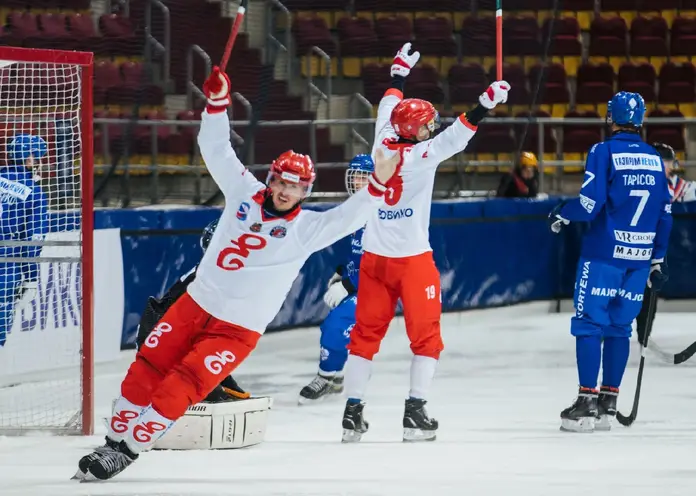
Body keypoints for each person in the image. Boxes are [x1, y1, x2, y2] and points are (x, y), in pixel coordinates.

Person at [75, 65, 399, 481]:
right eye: (282, 181)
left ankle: (130, 449)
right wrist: (216, 104)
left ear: (307, 192)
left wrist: (377, 185)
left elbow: (352, 216)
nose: (286, 191)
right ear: (271, 179)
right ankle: (115, 438)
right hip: (195, 303)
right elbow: (216, 149)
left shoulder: (308, 229)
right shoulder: (243, 190)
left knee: (185, 383)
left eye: (296, 187)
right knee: (148, 365)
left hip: (237, 329)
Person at [341, 42, 510, 443]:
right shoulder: (422, 155)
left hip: (373, 258)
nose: (430, 129)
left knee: (363, 337)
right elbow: (459, 134)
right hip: (411, 261)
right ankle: (414, 413)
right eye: (425, 125)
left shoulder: (382, 139)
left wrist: (399, 72)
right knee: (427, 337)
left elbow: (387, 103)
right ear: (414, 131)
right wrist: (487, 102)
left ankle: (352, 413)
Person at [548, 91, 673, 433]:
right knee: (619, 327)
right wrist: (657, 260)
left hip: (604, 255)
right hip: (639, 259)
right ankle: (608, 402)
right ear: (641, 119)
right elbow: (665, 215)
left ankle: (586, 401)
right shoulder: (654, 158)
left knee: (589, 323)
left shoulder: (602, 151)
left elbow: (590, 204)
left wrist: (562, 214)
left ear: (609, 118)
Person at [134, 218, 248, 402]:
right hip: (160, 352)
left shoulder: (217, 278)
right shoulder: (203, 281)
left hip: (170, 345)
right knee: (212, 396)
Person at [298, 154, 373, 404]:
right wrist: (343, 271)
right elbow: (355, 251)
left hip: (375, 286)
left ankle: (328, 377)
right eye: (355, 176)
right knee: (335, 326)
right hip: (358, 282)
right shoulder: (354, 210)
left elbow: (381, 262)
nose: (357, 182)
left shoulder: (379, 212)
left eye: (364, 176)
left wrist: (349, 285)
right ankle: (334, 375)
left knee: (337, 324)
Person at [634, 142, 696, 343]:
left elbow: (689, 190)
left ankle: (644, 334)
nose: (670, 166)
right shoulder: (640, 182)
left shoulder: (675, 185)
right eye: (666, 161)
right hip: (635, 246)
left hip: (654, 250)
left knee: (649, 289)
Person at [0, 135, 48, 347]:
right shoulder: (34, 193)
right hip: (6, 269)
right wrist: (30, 278)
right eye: (37, 158)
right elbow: (32, 243)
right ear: (29, 159)